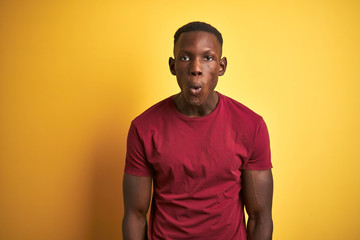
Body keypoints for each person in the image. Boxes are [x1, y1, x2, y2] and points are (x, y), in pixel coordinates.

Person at [122, 21, 273, 240]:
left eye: (208, 57)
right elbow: (135, 216)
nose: (196, 68)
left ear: (221, 67)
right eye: (185, 58)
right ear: (173, 66)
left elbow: (260, 217)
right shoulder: (144, 128)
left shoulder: (251, 126)